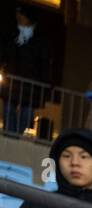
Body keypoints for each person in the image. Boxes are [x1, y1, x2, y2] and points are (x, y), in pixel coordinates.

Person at [1, 4, 51, 135]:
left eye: (21, 14)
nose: (18, 17)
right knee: (8, 113)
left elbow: (44, 63)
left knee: (26, 116)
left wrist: (45, 85)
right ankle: (10, 137)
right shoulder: (12, 35)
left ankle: (15, 137)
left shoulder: (39, 40)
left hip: (30, 86)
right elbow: (4, 54)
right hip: (12, 83)